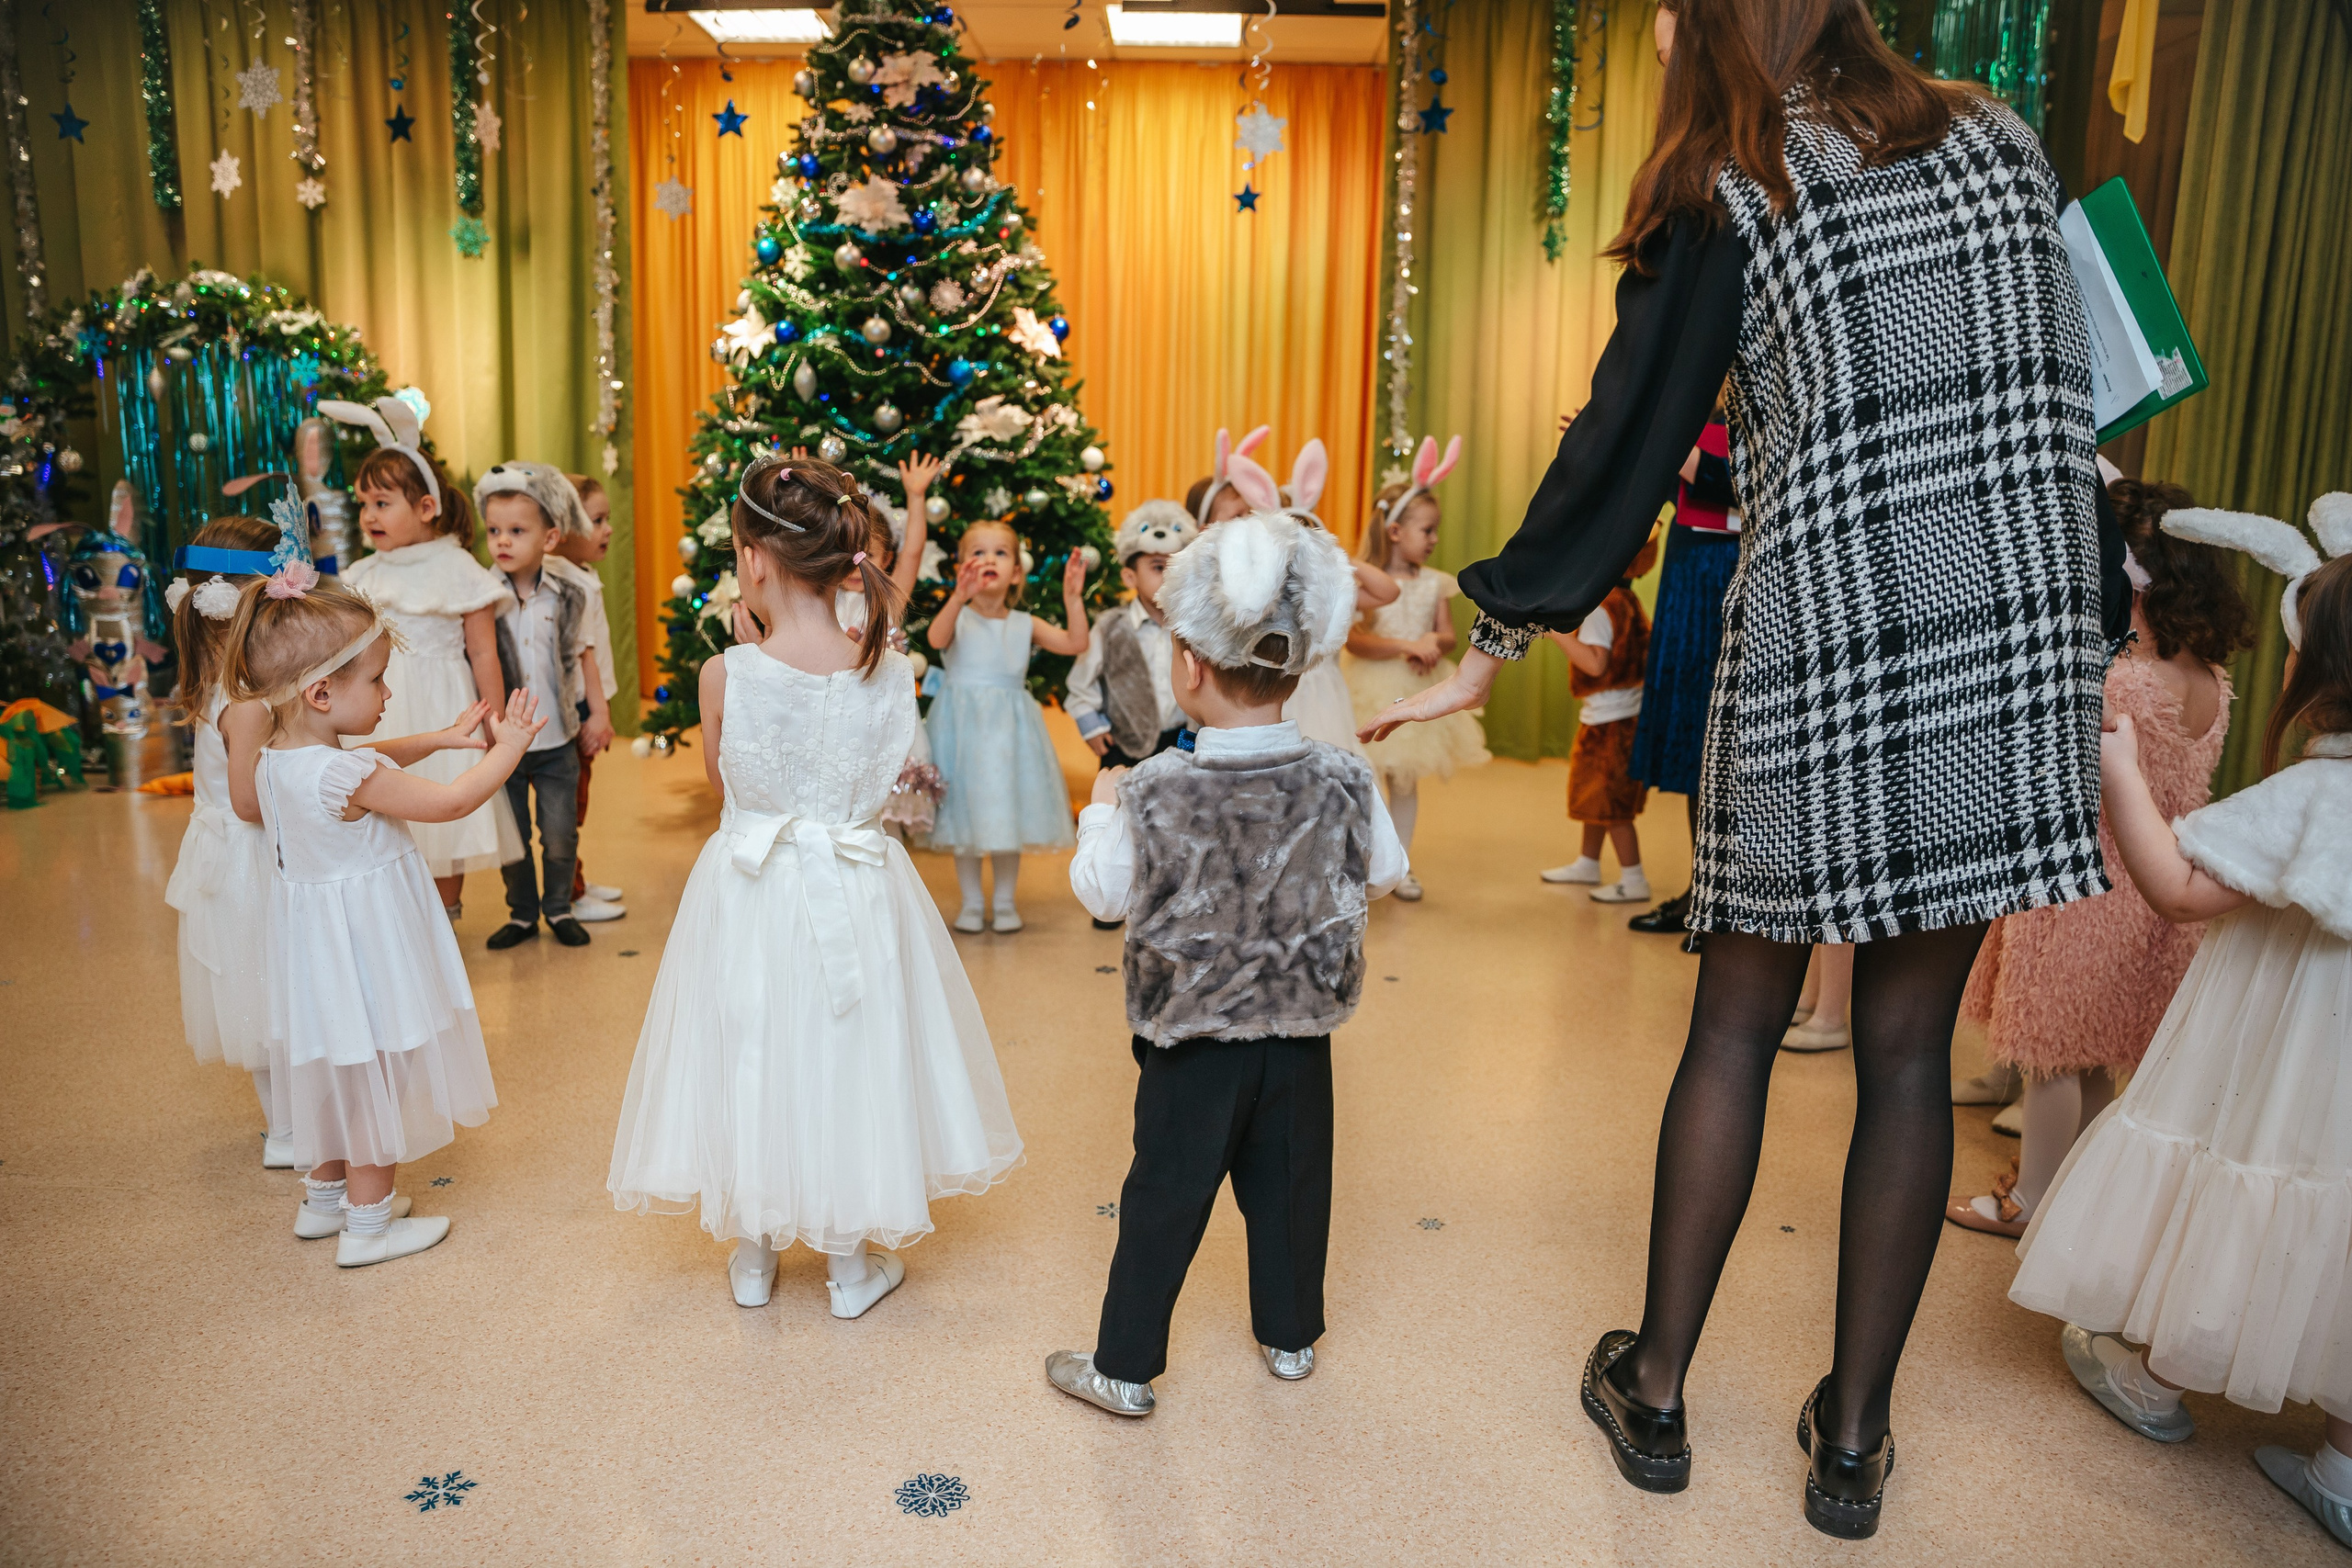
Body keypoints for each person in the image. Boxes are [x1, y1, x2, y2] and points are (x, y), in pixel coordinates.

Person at [1362, 0, 2127, 1537]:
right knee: (1907, 1052)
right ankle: (1852, 1444)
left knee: (1737, 1019)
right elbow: (2080, 401)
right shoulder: (2003, 134)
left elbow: (1627, 438)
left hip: (1824, 642)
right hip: (2012, 641)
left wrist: (1497, 626)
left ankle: (1655, 1391)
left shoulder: (1740, 172)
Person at [607, 456, 1023, 1314]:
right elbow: (889, 786)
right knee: (850, 1052)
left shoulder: (727, 672)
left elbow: (729, 788)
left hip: (750, 886)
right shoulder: (891, 671)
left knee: (753, 1045)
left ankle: (754, 1258)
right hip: (860, 883)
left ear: (753, 559)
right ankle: (848, 1267)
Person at [2008, 521, 2350, 1547]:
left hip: (2289, 1054)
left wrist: (2115, 766)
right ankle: (2341, 1462)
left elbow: (2173, 888)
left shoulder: (2317, 793)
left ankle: (2155, 1379)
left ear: (2322, 672)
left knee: (2246, 1165)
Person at [1046, 508, 1408, 1417]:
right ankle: (1289, 1339)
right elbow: (1389, 872)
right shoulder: (1341, 776)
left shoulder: (1156, 787)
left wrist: (1101, 805)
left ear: (1190, 667)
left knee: (1164, 1194)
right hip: (1298, 1033)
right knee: (1292, 1190)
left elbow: (1103, 894)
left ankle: (1124, 1368)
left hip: (1191, 1041)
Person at [1947, 478, 2248, 1236]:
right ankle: (2078, 1199)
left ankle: (2031, 1200)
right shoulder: (2211, 681)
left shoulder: (2121, 684)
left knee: (2052, 1054)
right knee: (2095, 1057)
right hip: (2152, 898)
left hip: (2083, 892)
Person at [222, 570, 530, 1267]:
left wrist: (443, 735)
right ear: (322, 692)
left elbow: (369, 758)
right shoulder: (343, 776)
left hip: (315, 955)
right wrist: (504, 749)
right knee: (373, 1077)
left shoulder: (279, 759)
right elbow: (448, 804)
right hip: (364, 949)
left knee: (335, 1073)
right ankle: (369, 1225)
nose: (388, 693)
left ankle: (324, 1202)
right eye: (379, 680)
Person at [326, 395, 515, 919]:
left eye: (382, 504)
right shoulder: (366, 573)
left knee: (441, 810)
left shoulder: (456, 567)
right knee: (378, 804)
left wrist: (493, 721)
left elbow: (483, 651)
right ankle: (390, 913)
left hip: (442, 706)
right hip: (375, 705)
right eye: (363, 504)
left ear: (426, 508)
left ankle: (443, 915)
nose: (368, 516)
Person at [163, 513, 290, 1166]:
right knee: (276, 992)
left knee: (254, 993)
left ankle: (284, 1128)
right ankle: (295, 1132)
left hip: (220, 854)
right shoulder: (248, 699)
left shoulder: (216, 677)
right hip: (249, 860)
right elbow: (248, 800)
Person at [924, 518, 1090, 933]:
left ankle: (1003, 902)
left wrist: (1073, 596)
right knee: (965, 813)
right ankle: (972, 901)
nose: (988, 560)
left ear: (1016, 571)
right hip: (961, 731)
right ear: (962, 567)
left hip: (1009, 734)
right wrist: (958, 598)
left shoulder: (1024, 624)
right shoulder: (958, 617)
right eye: (977, 553)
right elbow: (935, 639)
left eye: (1000, 552)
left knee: (1006, 812)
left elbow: (1075, 643)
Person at [1344, 434, 1489, 901]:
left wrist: (1433, 641)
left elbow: (1447, 634)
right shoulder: (1364, 580)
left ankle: (1399, 865)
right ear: (1394, 532)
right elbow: (1357, 640)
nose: (1434, 539)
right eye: (1427, 530)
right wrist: (1407, 642)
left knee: (1404, 781)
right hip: (1367, 688)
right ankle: (1360, 860)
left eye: (1435, 530)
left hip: (1417, 692)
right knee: (1363, 779)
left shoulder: (1435, 583)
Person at [479, 463, 608, 951]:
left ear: (550, 538)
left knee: (559, 834)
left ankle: (559, 906)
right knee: (512, 835)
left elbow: (584, 655)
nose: (502, 542)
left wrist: (599, 713)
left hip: (557, 738)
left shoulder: (570, 593)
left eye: (516, 531)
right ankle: (522, 914)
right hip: (505, 742)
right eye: (493, 531)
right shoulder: (483, 598)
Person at [1626, 400, 1741, 947]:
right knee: (1698, 743)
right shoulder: (1692, 416)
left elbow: (1731, 480)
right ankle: (1705, 891)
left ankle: (1726, 900)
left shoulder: (1761, 408)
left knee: (1725, 739)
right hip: (1688, 568)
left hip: (1728, 569)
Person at [1543, 531, 1659, 906]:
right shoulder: (1627, 600)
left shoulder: (1601, 606)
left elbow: (1595, 663)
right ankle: (1587, 862)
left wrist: (1556, 633)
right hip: (1620, 715)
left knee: (1612, 805)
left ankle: (1634, 879)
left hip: (1611, 721)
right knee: (1596, 794)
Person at [1066, 500, 1197, 772]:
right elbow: (1081, 681)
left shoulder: (1195, 626)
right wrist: (1091, 725)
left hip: (1183, 745)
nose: (1169, 576)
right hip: (1124, 750)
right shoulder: (1109, 626)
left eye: (1177, 567)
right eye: (1159, 567)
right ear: (1129, 577)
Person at [551, 473, 627, 922]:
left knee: (578, 800)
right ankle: (570, 892)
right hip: (574, 709)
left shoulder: (581, 572)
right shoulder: (562, 581)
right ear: (562, 532)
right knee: (569, 804)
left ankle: (573, 876)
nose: (608, 529)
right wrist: (594, 713)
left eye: (607, 519)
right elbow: (579, 654)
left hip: (587, 705)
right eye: (597, 520)